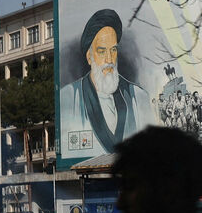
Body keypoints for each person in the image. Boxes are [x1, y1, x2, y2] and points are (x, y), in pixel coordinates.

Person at [59, 9, 156, 158]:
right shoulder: (69, 97)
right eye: (102, 51)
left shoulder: (138, 97)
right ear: (89, 57)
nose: (110, 59)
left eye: (113, 50)